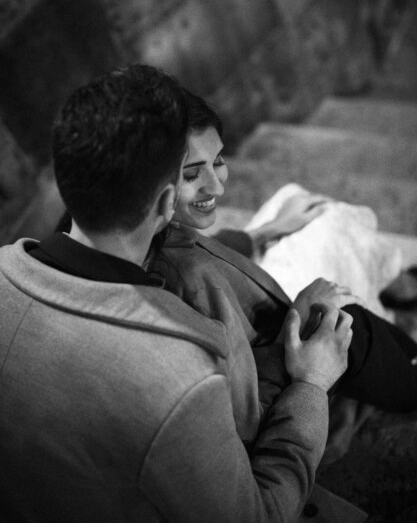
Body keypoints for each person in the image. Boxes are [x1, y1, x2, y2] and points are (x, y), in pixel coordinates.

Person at [0, 64, 353, 523]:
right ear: (169, 203)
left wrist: (257, 234)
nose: (215, 182)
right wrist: (310, 385)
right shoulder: (178, 377)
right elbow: (255, 516)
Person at [148, 90, 417, 420]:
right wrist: (299, 315)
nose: (217, 186)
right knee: (345, 306)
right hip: (286, 357)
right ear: (151, 184)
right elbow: (243, 409)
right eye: (191, 174)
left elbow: (203, 243)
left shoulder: (158, 231)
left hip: (264, 295)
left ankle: (397, 291)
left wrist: (268, 231)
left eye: (218, 161)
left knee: (296, 202)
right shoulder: (178, 284)